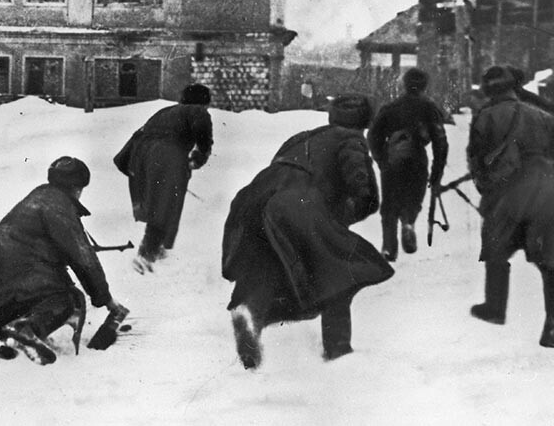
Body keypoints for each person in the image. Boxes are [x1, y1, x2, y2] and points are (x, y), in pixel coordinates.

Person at [221, 94, 393, 369]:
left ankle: (248, 312)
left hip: (254, 200)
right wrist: (339, 218)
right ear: (365, 121)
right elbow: (364, 194)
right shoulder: (351, 140)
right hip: (296, 203)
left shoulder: (300, 138)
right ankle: (338, 354)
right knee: (338, 274)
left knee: (269, 267)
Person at [0, 156, 125, 365]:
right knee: (68, 299)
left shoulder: (36, 199)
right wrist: (105, 299)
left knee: (38, 289)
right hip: (2, 284)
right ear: (77, 188)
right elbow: (83, 258)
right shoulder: (58, 206)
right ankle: (26, 330)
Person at [466, 65, 554, 349]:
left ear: (488, 91)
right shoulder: (540, 114)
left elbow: (477, 159)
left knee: (496, 245)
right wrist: (545, 161)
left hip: (509, 193)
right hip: (548, 188)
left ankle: (495, 307)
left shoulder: (485, 117)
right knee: (553, 253)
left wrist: (486, 185)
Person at [113, 83, 213, 274]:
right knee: (166, 206)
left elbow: (138, 135)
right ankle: (146, 254)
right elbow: (204, 142)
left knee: (159, 203)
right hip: (167, 155)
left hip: (141, 155)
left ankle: (155, 249)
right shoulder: (198, 112)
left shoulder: (165, 111)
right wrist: (197, 160)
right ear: (204, 101)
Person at [366, 67, 450, 260]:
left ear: (404, 84)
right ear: (424, 86)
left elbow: (373, 135)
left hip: (392, 157)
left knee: (389, 203)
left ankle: (389, 246)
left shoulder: (390, 107)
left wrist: (381, 159)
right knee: (413, 197)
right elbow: (440, 141)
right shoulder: (430, 108)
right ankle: (408, 223)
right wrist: (437, 172)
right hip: (417, 158)